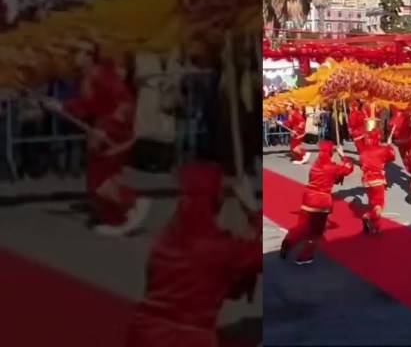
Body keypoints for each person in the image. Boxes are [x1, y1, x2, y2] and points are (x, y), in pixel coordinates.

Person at [125, 162, 261, 347]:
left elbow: (201, 285)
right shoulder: (221, 248)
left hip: (143, 334)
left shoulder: (165, 240)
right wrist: (253, 211)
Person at [43, 44, 150, 236]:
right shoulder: (86, 78)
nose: (74, 57)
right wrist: (61, 105)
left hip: (113, 134)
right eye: (73, 52)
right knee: (97, 181)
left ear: (91, 55)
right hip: (100, 130)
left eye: (78, 52)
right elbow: (88, 106)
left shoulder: (102, 75)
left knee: (101, 184)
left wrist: (108, 129)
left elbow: (124, 103)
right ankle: (117, 217)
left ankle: (133, 202)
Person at [279, 141, 354, 265]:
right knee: (316, 232)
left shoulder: (315, 165)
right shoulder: (332, 167)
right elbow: (348, 168)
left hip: (308, 198)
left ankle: (289, 241)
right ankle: (305, 255)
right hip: (321, 202)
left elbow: (330, 177)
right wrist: (343, 155)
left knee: (303, 226)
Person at [359, 129, 396, 235]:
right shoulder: (381, 149)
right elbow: (392, 157)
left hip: (367, 180)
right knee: (379, 205)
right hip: (378, 179)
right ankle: (368, 216)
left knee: (373, 204)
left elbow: (362, 163)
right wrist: (389, 146)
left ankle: (376, 227)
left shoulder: (364, 152)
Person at [389, 107, 411, 174]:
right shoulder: (400, 113)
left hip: (406, 138)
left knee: (407, 155)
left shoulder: (408, 113)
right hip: (403, 138)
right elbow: (393, 125)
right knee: (406, 155)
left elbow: (393, 125)